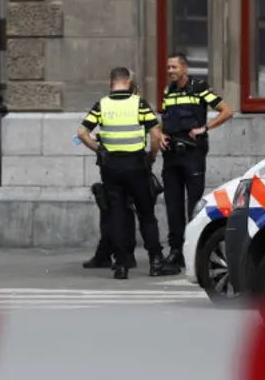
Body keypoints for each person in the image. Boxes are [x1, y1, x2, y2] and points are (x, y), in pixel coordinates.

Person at [76, 66, 178, 279]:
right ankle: (156, 262)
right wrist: (151, 156)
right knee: (146, 214)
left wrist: (99, 149)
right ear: (129, 82)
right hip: (136, 165)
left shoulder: (102, 105)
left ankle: (121, 265)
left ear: (111, 82)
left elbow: (82, 132)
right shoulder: (139, 103)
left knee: (118, 215)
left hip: (111, 168)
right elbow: (155, 133)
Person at [159, 53, 233, 268]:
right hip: (171, 154)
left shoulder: (199, 88)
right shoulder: (168, 91)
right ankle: (175, 250)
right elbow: (166, 119)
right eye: (168, 68)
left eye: (174, 67)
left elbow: (226, 111)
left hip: (192, 154)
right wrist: (162, 135)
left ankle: (195, 250)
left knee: (194, 204)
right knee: (172, 205)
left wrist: (205, 128)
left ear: (185, 68)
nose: (171, 71)